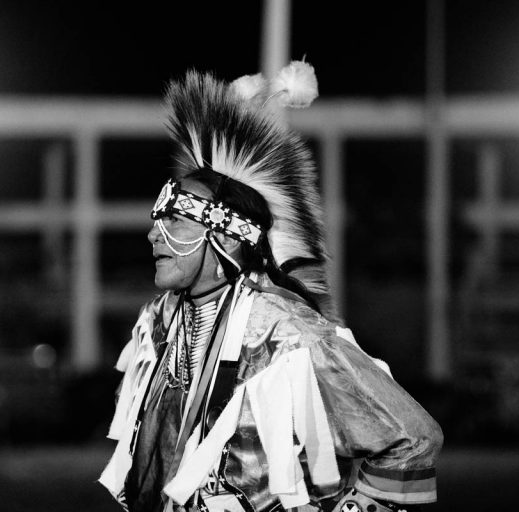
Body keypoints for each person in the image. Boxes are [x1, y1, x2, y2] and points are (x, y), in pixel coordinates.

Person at [99, 62, 442, 512]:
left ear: (225, 238)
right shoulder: (159, 324)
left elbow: (413, 438)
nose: (153, 235)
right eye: (157, 221)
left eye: (176, 222)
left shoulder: (284, 335)